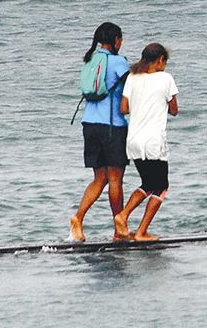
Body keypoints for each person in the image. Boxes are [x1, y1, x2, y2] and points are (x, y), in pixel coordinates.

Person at [70, 22, 131, 242]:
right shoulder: (118, 62)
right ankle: (119, 228)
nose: (121, 43)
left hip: (89, 124)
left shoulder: (90, 59)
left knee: (100, 178)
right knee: (115, 179)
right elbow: (133, 86)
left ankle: (78, 218)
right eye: (121, 39)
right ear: (115, 40)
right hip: (112, 126)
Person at [114, 43, 180, 242]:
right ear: (160, 60)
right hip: (153, 142)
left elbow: (124, 108)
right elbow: (174, 110)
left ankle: (123, 216)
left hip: (134, 141)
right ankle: (140, 230)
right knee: (162, 187)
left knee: (148, 184)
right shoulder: (166, 78)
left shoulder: (133, 78)